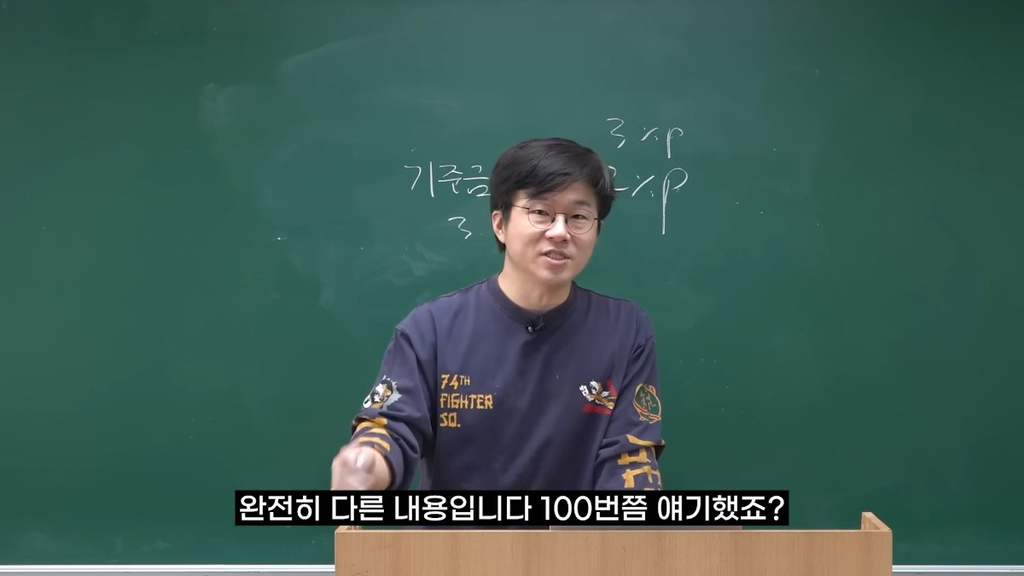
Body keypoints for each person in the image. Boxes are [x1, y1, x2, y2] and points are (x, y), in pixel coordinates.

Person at [330, 137, 665, 492]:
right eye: (541, 212)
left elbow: (630, 455)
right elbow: (391, 430)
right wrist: (367, 466)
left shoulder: (625, 330)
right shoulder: (432, 329)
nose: (559, 232)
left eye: (578, 217)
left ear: (597, 231)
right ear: (500, 224)